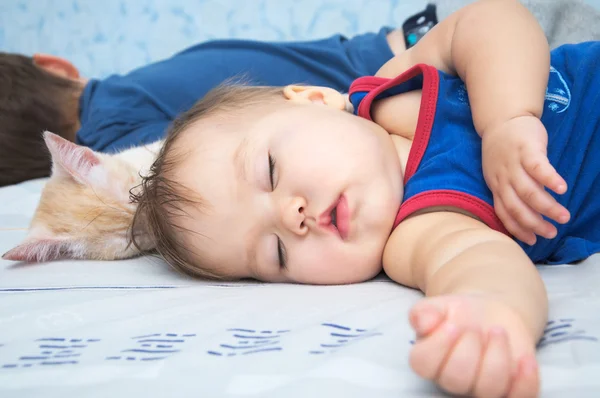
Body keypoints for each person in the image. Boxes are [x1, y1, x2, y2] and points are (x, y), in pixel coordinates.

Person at [130, 0, 600, 396]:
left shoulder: (391, 86)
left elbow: (494, 19)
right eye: (275, 253)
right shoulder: (416, 233)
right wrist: (488, 313)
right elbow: (483, 264)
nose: (290, 217)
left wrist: (506, 119)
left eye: (269, 171)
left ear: (315, 100)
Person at [1, 0, 599, 188]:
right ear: (56, 65)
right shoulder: (141, 83)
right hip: (429, 29)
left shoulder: (116, 132)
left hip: (430, 62)